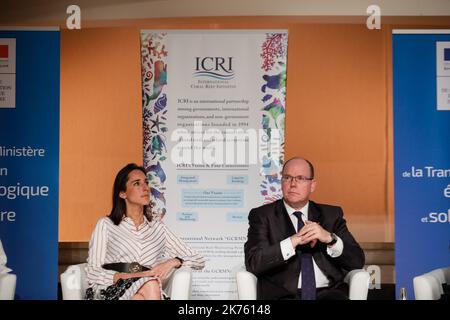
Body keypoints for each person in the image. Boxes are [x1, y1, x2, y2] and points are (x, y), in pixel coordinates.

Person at [244, 157, 365, 300]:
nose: (293, 184)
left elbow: (357, 260)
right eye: (287, 177)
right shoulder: (263, 216)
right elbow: (254, 262)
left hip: (328, 294)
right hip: (283, 294)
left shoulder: (331, 215)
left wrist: (329, 238)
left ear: (312, 185)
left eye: (300, 178)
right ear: (281, 182)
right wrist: (293, 241)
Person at [85, 163, 205, 300]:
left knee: (142, 294)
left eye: (146, 182)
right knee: (151, 285)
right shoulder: (106, 225)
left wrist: (172, 262)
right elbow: (93, 270)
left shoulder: (158, 228)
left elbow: (198, 259)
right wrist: (124, 277)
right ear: (122, 193)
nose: (145, 188)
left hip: (146, 289)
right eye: (137, 183)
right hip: (113, 289)